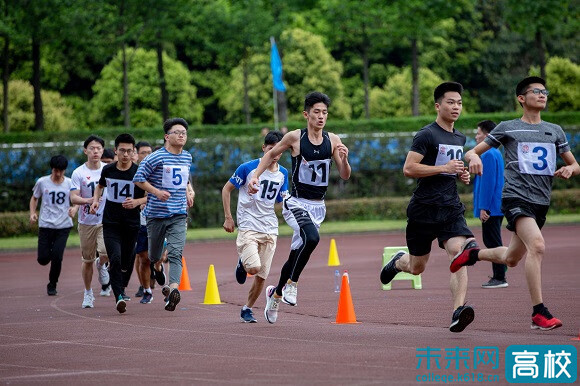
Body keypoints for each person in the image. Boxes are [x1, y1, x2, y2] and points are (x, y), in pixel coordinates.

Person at [454, 76, 580, 331]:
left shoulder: (555, 130)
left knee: (511, 258)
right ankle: (538, 312)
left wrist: (571, 169)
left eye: (545, 91)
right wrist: (473, 159)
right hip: (515, 197)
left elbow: (575, 163)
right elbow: (471, 151)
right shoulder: (507, 127)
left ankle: (473, 254)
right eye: (536, 91)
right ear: (522, 98)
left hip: (540, 201)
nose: (542, 94)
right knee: (538, 246)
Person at [380, 82, 476, 333]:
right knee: (417, 267)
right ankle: (399, 261)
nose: (456, 107)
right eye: (450, 102)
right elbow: (409, 169)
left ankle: (458, 311)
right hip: (423, 208)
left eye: (459, 103)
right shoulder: (427, 134)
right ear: (438, 105)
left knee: (459, 254)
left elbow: (450, 168)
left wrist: (460, 174)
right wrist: (445, 169)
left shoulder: (459, 137)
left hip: (450, 208)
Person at [248, 91, 351, 324]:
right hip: (295, 203)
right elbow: (271, 154)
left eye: (325, 112)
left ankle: (275, 294)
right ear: (306, 114)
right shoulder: (295, 138)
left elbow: (345, 175)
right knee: (312, 238)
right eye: (316, 112)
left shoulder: (333, 140)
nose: (321, 116)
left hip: (317, 206)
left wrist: (344, 160)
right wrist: (255, 176)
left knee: (296, 254)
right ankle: (293, 284)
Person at [222, 131, 289, 323]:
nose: (275, 155)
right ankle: (242, 262)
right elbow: (226, 189)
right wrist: (228, 217)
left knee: (262, 275)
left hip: (270, 228)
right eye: (271, 150)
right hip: (248, 225)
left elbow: (280, 199)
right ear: (264, 148)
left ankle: (247, 309)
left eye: (279, 151)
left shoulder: (283, 173)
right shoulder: (248, 168)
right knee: (253, 267)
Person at [133, 117, 194, 312]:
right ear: (167, 136)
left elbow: (183, 179)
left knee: (176, 253)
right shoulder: (155, 157)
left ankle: (174, 289)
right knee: (154, 255)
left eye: (184, 133)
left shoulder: (187, 157)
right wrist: (156, 192)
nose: (182, 135)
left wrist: (188, 192)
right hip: (156, 216)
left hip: (178, 214)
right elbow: (138, 179)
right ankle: (157, 268)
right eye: (177, 132)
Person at [91, 134, 147, 313]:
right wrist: (95, 200)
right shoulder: (108, 170)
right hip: (111, 222)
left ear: (134, 152)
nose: (125, 154)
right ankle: (119, 296)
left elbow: (149, 195)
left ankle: (121, 284)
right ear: (115, 151)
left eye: (129, 151)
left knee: (126, 259)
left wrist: (136, 203)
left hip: (131, 223)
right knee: (114, 258)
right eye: (122, 150)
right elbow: (100, 186)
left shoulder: (139, 173)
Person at [70, 135, 111, 308]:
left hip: (105, 220)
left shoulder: (108, 170)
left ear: (103, 151)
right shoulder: (78, 172)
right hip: (86, 221)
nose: (95, 151)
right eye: (92, 148)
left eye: (99, 148)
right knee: (87, 260)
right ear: (85, 150)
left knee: (106, 251)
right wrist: (89, 201)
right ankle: (88, 293)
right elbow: (73, 196)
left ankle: (102, 264)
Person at [29, 155, 78, 296]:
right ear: (52, 169)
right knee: (43, 259)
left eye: (61, 171)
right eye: (56, 170)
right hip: (45, 225)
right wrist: (33, 213)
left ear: (64, 171)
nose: (58, 174)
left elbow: (76, 200)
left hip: (63, 225)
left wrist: (74, 209)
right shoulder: (42, 182)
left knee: (57, 256)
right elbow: (34, 198)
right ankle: (48, 253)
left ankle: (52, 284)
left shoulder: (69, 183)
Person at [472, 120, 508, 288]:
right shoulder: (494, 153)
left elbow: (488, 183)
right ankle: (500, 273)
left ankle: (499, 277)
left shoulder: (487, 154)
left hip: (491, 206)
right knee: (493, 240)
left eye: (478, 133)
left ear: (487, 136)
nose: (476, 136)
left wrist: (483, 207)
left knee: (492, 241)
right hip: (495, 205)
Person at [133, 141, 153, 299]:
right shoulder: (132, 173)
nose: (146, 156)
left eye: (149, 152)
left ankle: (159, 271)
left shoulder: (157, 171)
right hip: (140, 222)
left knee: (160, 256)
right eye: (143, 153)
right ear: (136, 154)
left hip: (159, 219)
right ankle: (146, 289)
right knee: (143, 257)